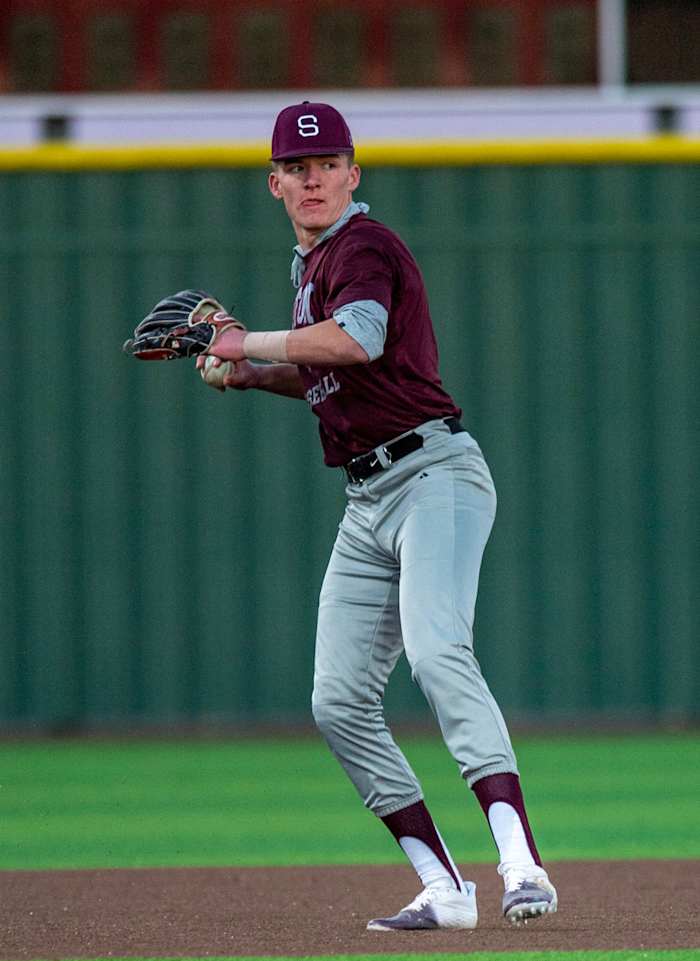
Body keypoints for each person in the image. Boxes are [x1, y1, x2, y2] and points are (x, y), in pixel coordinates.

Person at [197, 101, 558, 930]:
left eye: (328, 164)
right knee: (337, 700)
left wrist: (244, 343)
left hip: (434, 473)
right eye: (298, 166)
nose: (313, 178)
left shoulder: (363, 246)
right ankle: (443, 885)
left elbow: (357, 338)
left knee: (437, 652)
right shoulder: (311, 265)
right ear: (275, 183)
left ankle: (519, 861)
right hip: (367, 498)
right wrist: (256, 373)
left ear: (353, 174)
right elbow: (333, 373)